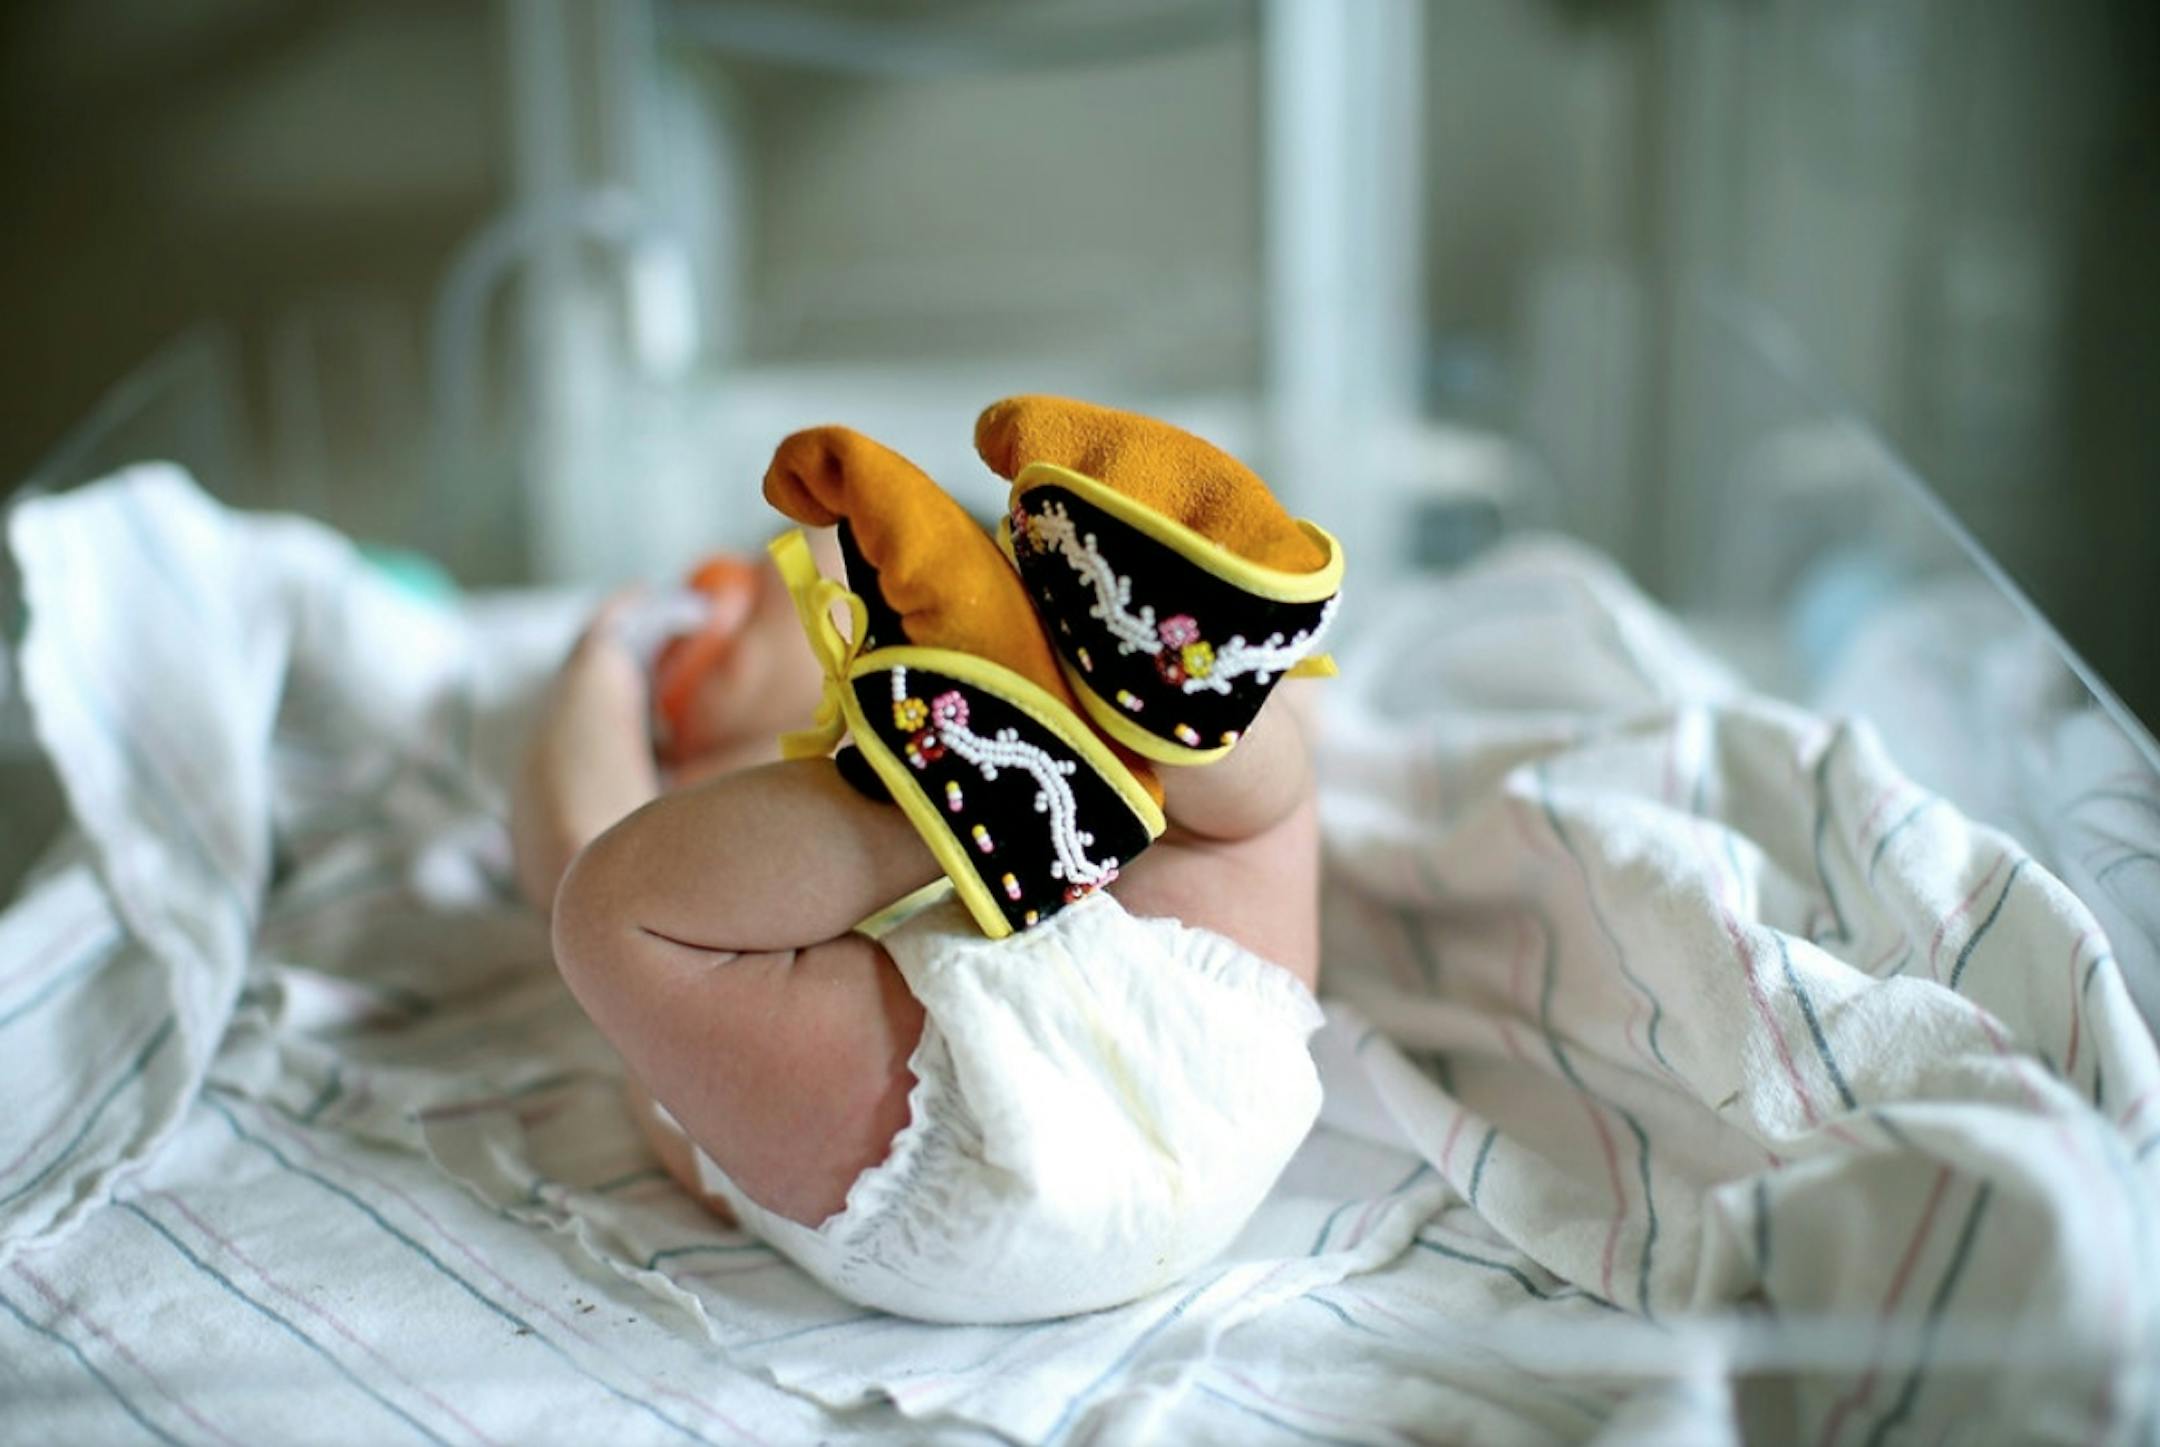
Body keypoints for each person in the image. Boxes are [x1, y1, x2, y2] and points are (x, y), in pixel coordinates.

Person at [511, 396, 1344, 1323]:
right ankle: (1124, 704)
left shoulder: (707, 831)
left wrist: (605, 663)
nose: (712, 607)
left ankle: (1053, 732)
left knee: (608, 901)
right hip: (1184, 1069)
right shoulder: (714, 792)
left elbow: (572, 832)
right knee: (1256, 812)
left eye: (762, 583)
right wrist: (604, 662)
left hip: (983, 1087)